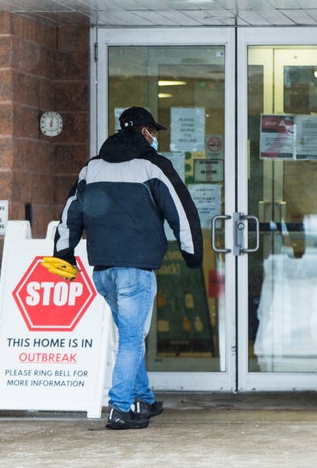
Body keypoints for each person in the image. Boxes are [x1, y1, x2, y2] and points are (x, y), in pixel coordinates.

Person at [51, 107, 203, 430]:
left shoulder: (92, 168)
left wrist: (64, 252)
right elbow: (180, 208)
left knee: (130, 335)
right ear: (145, 131)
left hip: (103, 270)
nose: (155, 137)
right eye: (154, 132)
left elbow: (70, 212)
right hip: (136, 268)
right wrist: (192, 252)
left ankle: (144, 398)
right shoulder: (152, 166)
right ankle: (120, 407)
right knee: (133, 338)